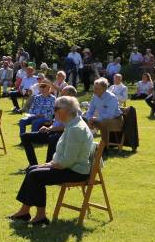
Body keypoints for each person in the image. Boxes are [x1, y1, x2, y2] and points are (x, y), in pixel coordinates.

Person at [9, 96, 96, 225]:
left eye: (55, 108)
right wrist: (50, 164)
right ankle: (25, 211)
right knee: (32, 169)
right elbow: (65, 157)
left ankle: (40, 216)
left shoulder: (75, 129)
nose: (53, 111)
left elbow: (68, 161)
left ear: (66, 110)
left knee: (35, 174)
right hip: (71, 167)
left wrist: (50, 164)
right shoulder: (72, 124)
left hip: (76, 171)